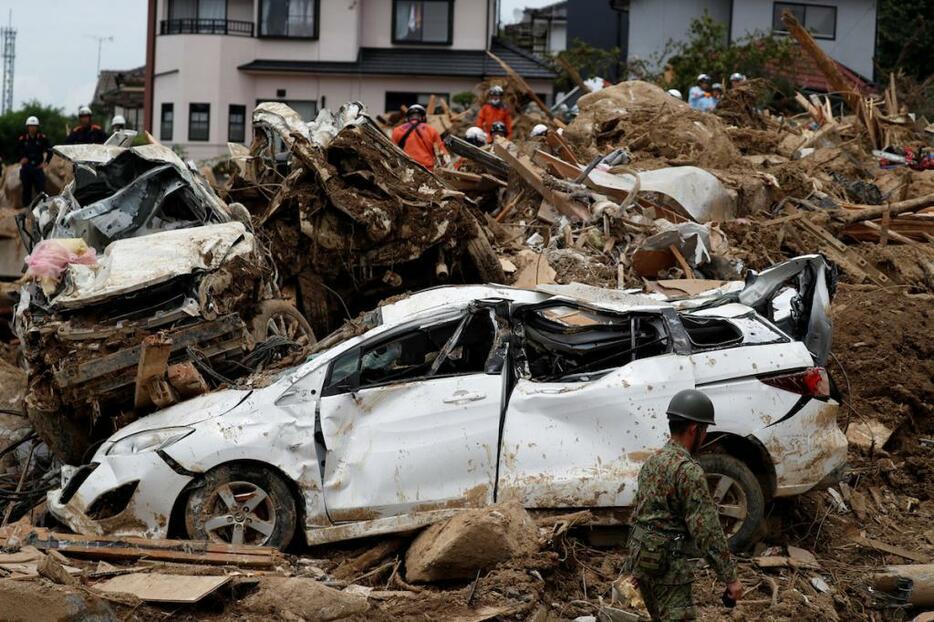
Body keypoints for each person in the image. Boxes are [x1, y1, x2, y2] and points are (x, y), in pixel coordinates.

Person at [624, 389, 743, 621]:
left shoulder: (653, 462)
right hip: (669, 568)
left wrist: (635, 567)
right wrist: (730, 578)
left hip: (645, 561)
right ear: (694, 429)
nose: (705, 436)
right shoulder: (688, 471)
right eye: (705, 430)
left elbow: (641, 516)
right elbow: (707, 530)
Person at [391, 104, 447, 171]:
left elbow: (392, 152)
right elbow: (441, 152)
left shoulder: (397, 130)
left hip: (406, 169)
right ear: (423, 117)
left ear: (408, 117)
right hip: (427, 170)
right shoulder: (431, 130)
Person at [16, 116, 52, 207]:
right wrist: (21, 158)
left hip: (38, 168)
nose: (32, 128)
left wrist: (46, 162)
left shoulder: (42, 138)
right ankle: (27, 210)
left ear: (37, 127)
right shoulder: (23, 139)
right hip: (26, 168)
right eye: (31, 126)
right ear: (27, 127)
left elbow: (50, 150)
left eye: (34, 126)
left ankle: (42, 208)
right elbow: (15, 151)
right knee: (26, 190)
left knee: (41, 190)